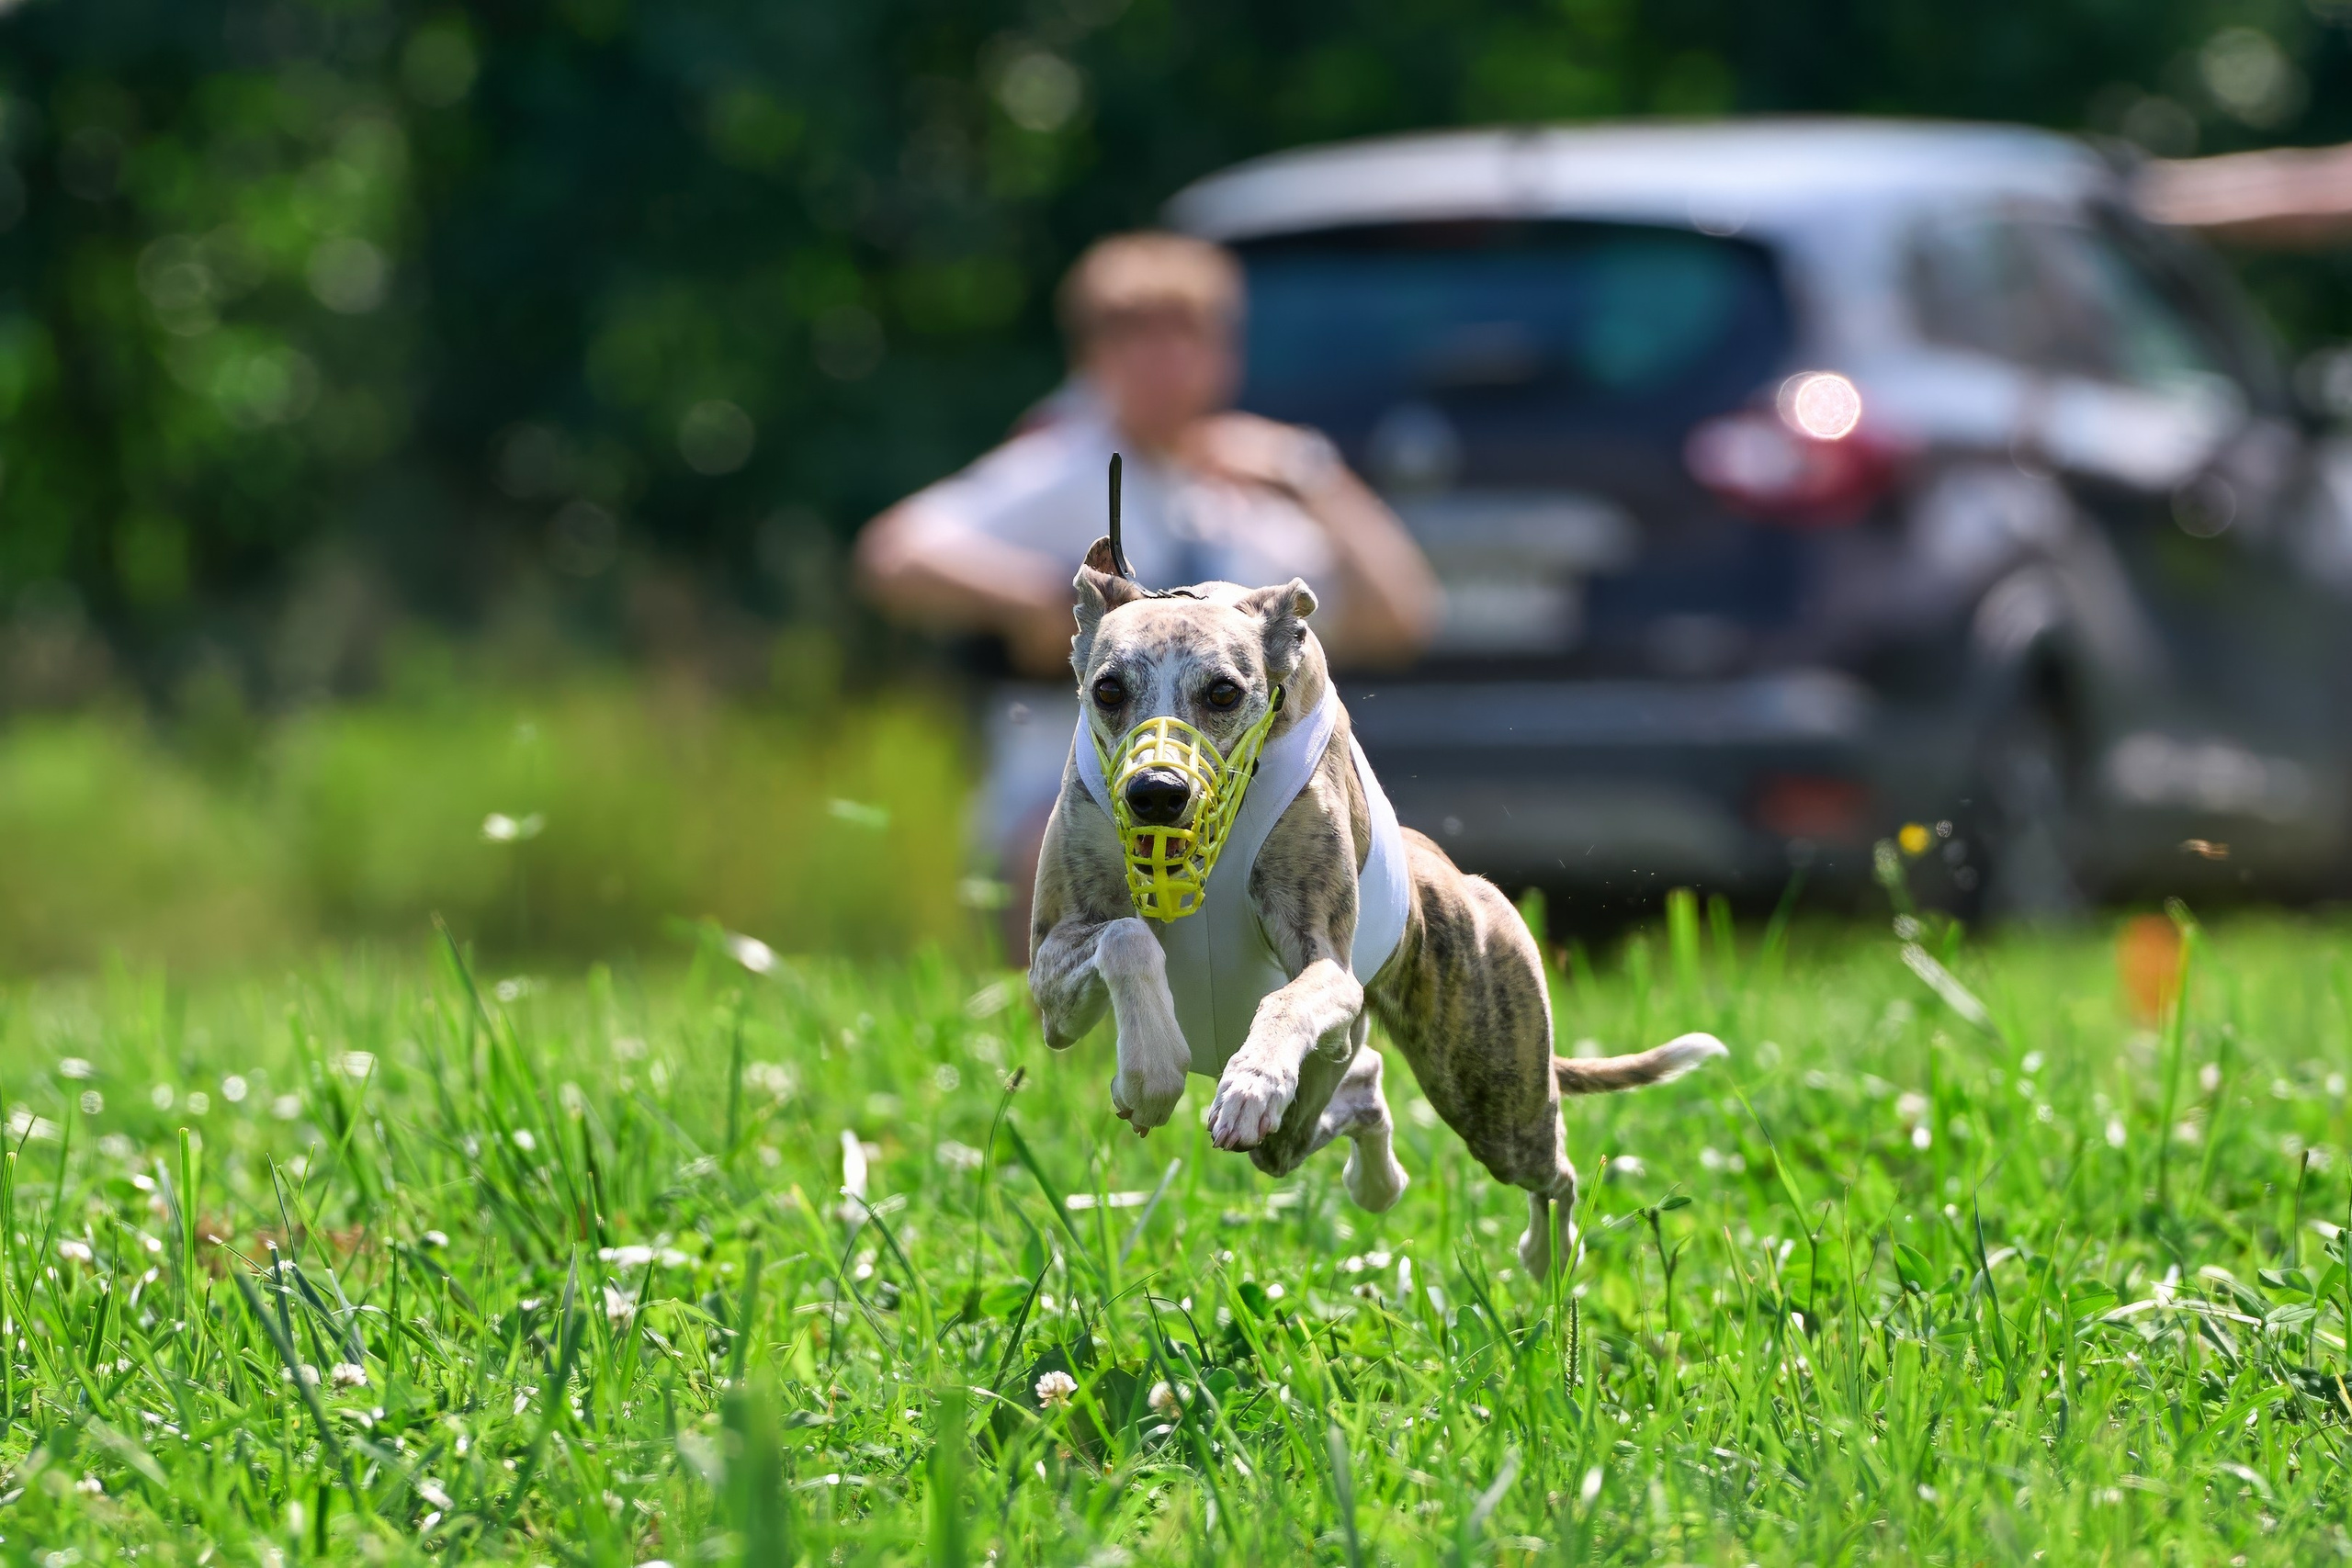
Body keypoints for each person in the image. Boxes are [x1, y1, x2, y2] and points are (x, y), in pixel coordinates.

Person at [856, 231, 1440, 948]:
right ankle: (1054, 1039)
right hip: (1072, 780)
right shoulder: (1065, 465)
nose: (1163, 363)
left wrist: (1306, 471)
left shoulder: (1238, 494)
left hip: (1234, 794)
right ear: (1091, 357)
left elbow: (1401, 614)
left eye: (1186, 336)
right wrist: (1035, 599)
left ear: (1225, 355)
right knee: (1061, 835)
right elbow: (894, 553)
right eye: (1134, 338)